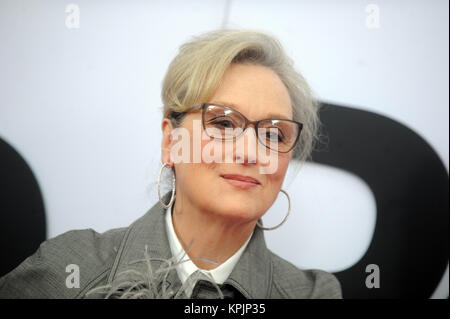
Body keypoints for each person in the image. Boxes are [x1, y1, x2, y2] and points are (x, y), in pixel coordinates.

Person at [0, 29, 342, 299]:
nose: (250, 152)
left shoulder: (312, 294)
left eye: (273, 134)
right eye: (223, 124)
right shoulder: (69, 269)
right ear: (171, 141)